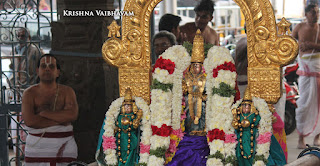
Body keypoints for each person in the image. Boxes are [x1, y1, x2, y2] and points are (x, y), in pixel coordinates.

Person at [21, 54, 78, 165]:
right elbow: (30, 121)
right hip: (37, 148)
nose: (47, 69)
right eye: (43, 66)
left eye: (51, 66)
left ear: (58, 72)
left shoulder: (67, 91)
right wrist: (61, 118)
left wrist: (44, 113)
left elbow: (72, 115)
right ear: (37, 71)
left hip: (64, 145)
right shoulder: (29, 93)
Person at [167, 30, 209, 166]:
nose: (196, 68)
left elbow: (209, 91)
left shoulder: (206, 77)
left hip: (201, 101)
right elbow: (182, 90)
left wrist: (205, 96)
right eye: (194, 65)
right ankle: (190, 130)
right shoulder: (186, 77)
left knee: (202, 114)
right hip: (190, 99)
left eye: (198, 65)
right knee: (189, 116)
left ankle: (201, 130)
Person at [232, 89, 287, 166]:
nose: (246, 107)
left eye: (248, 105)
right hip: (241, 137)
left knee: (259, 154)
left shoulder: (256, 113)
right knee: (239, 156)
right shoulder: (237, 113)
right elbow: (234, 125)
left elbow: (262, 122)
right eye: (244, 105)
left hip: (254, 136)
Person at [292, 4, 320, 149]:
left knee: (318, 105)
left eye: (317, 12)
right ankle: (301, 140)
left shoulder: (319, 28)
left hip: (318, 69)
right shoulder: (299, 27)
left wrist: (312, 45)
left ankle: (317, 138)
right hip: (305, 70)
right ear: (306, 14)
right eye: (313, 12)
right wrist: (299, 46)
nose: (316, 15)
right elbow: (290, 43)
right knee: (303, 105)